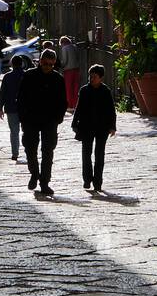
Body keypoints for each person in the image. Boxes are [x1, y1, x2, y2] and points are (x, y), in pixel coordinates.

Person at [17, 48, 67, 196]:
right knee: (30, 149)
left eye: (51, 65)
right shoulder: (29, 76)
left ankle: (45, 182)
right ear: (40, 62)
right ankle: (34, 173)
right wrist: (23, 117)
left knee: (48, 152)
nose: (48, 67)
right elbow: (21, 98)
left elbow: (62, 102)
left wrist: (58, 118)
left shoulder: (58, 79)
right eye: (45, 63)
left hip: (49, 121)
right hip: (30, 119)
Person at [71, 64, 117, 192]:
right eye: (90, 76)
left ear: (101, 78)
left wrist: (112, 126)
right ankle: (87, 179)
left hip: (102, 127)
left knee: (99, 155)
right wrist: (74, 123)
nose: (91, 79)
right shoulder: (84, 90)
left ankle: (98, 182)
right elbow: (78, 108)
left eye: (94, 77)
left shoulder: (106, 91)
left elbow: (111, 110)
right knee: (86, 154)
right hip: (86, 126)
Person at [0, 54, 26, 160]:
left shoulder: (7, 76)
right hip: (25, 108)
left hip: (11, 108)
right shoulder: (26, 75)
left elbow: (2, 93)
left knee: (14, 132)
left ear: (12, 64)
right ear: (22, 64)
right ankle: (28, 151)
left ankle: (15, 153)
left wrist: (0, 108)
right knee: (27, 131)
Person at [59, 34, 81, 109]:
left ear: (62, 42)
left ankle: (69, 105)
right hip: (76, 69)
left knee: (68, 88)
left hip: (68, 70)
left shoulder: (64, 48)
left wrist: (61, 66)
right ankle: (75, 104)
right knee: (75, 88)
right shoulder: (74, 47)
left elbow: (65, 61)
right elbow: (78, 57)